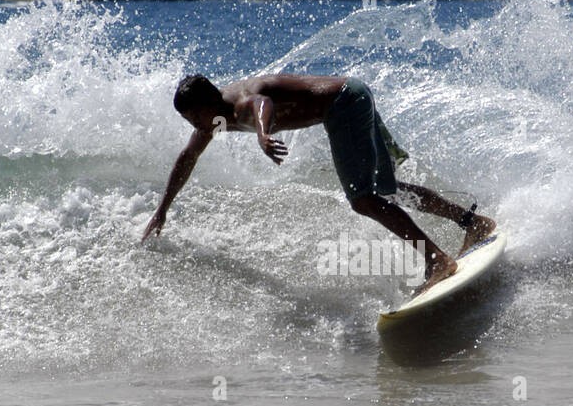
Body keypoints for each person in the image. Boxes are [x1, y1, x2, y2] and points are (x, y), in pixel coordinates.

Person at [143, 73, 495, 293]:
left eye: (193, 116)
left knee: (363, 199)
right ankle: (473, 222)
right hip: (354, 94)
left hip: (344, 104)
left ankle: (436, 260)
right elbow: (186, 158)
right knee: (388, 190)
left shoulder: (237, 104)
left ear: (208, 103)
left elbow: (262, 103)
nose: (194, 125)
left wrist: (263, 136)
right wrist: (162, 210)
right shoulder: (213, 121)